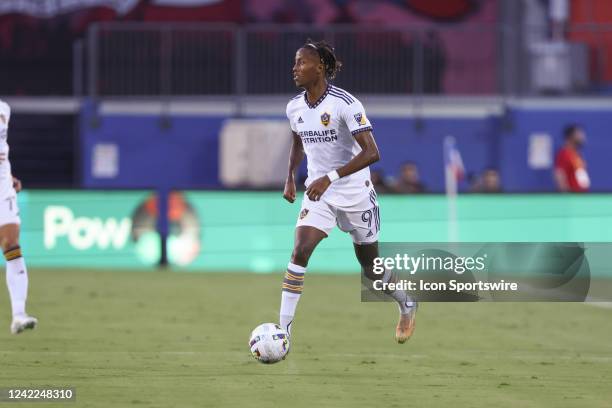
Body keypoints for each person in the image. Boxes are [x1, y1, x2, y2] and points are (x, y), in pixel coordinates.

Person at [280, 39, 417, 344]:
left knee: (371, 270)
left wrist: (330, 177)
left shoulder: (345, 104)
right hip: (319, 195)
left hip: (355, 194)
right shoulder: (294, 107)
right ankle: (284, 331)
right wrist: (290, 176)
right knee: (300, 251)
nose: (295, 68)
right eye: (295, 62)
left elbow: (372, 153)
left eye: (302, 62)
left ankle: (406, 302)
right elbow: (298, 143)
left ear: (320, 67)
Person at [0, 100, 37, 334]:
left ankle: (18, 314)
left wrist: (10, 176)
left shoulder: (4, 109)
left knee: (11, 244)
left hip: (2, 187)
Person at [554, 125, 590, 192]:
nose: (582, 137)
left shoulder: (576, 155)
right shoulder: (564, 154)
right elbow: (559, 175)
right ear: (571, 136)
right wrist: (566, 196)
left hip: (581, 196)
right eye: (579, 134)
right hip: (572, 197)